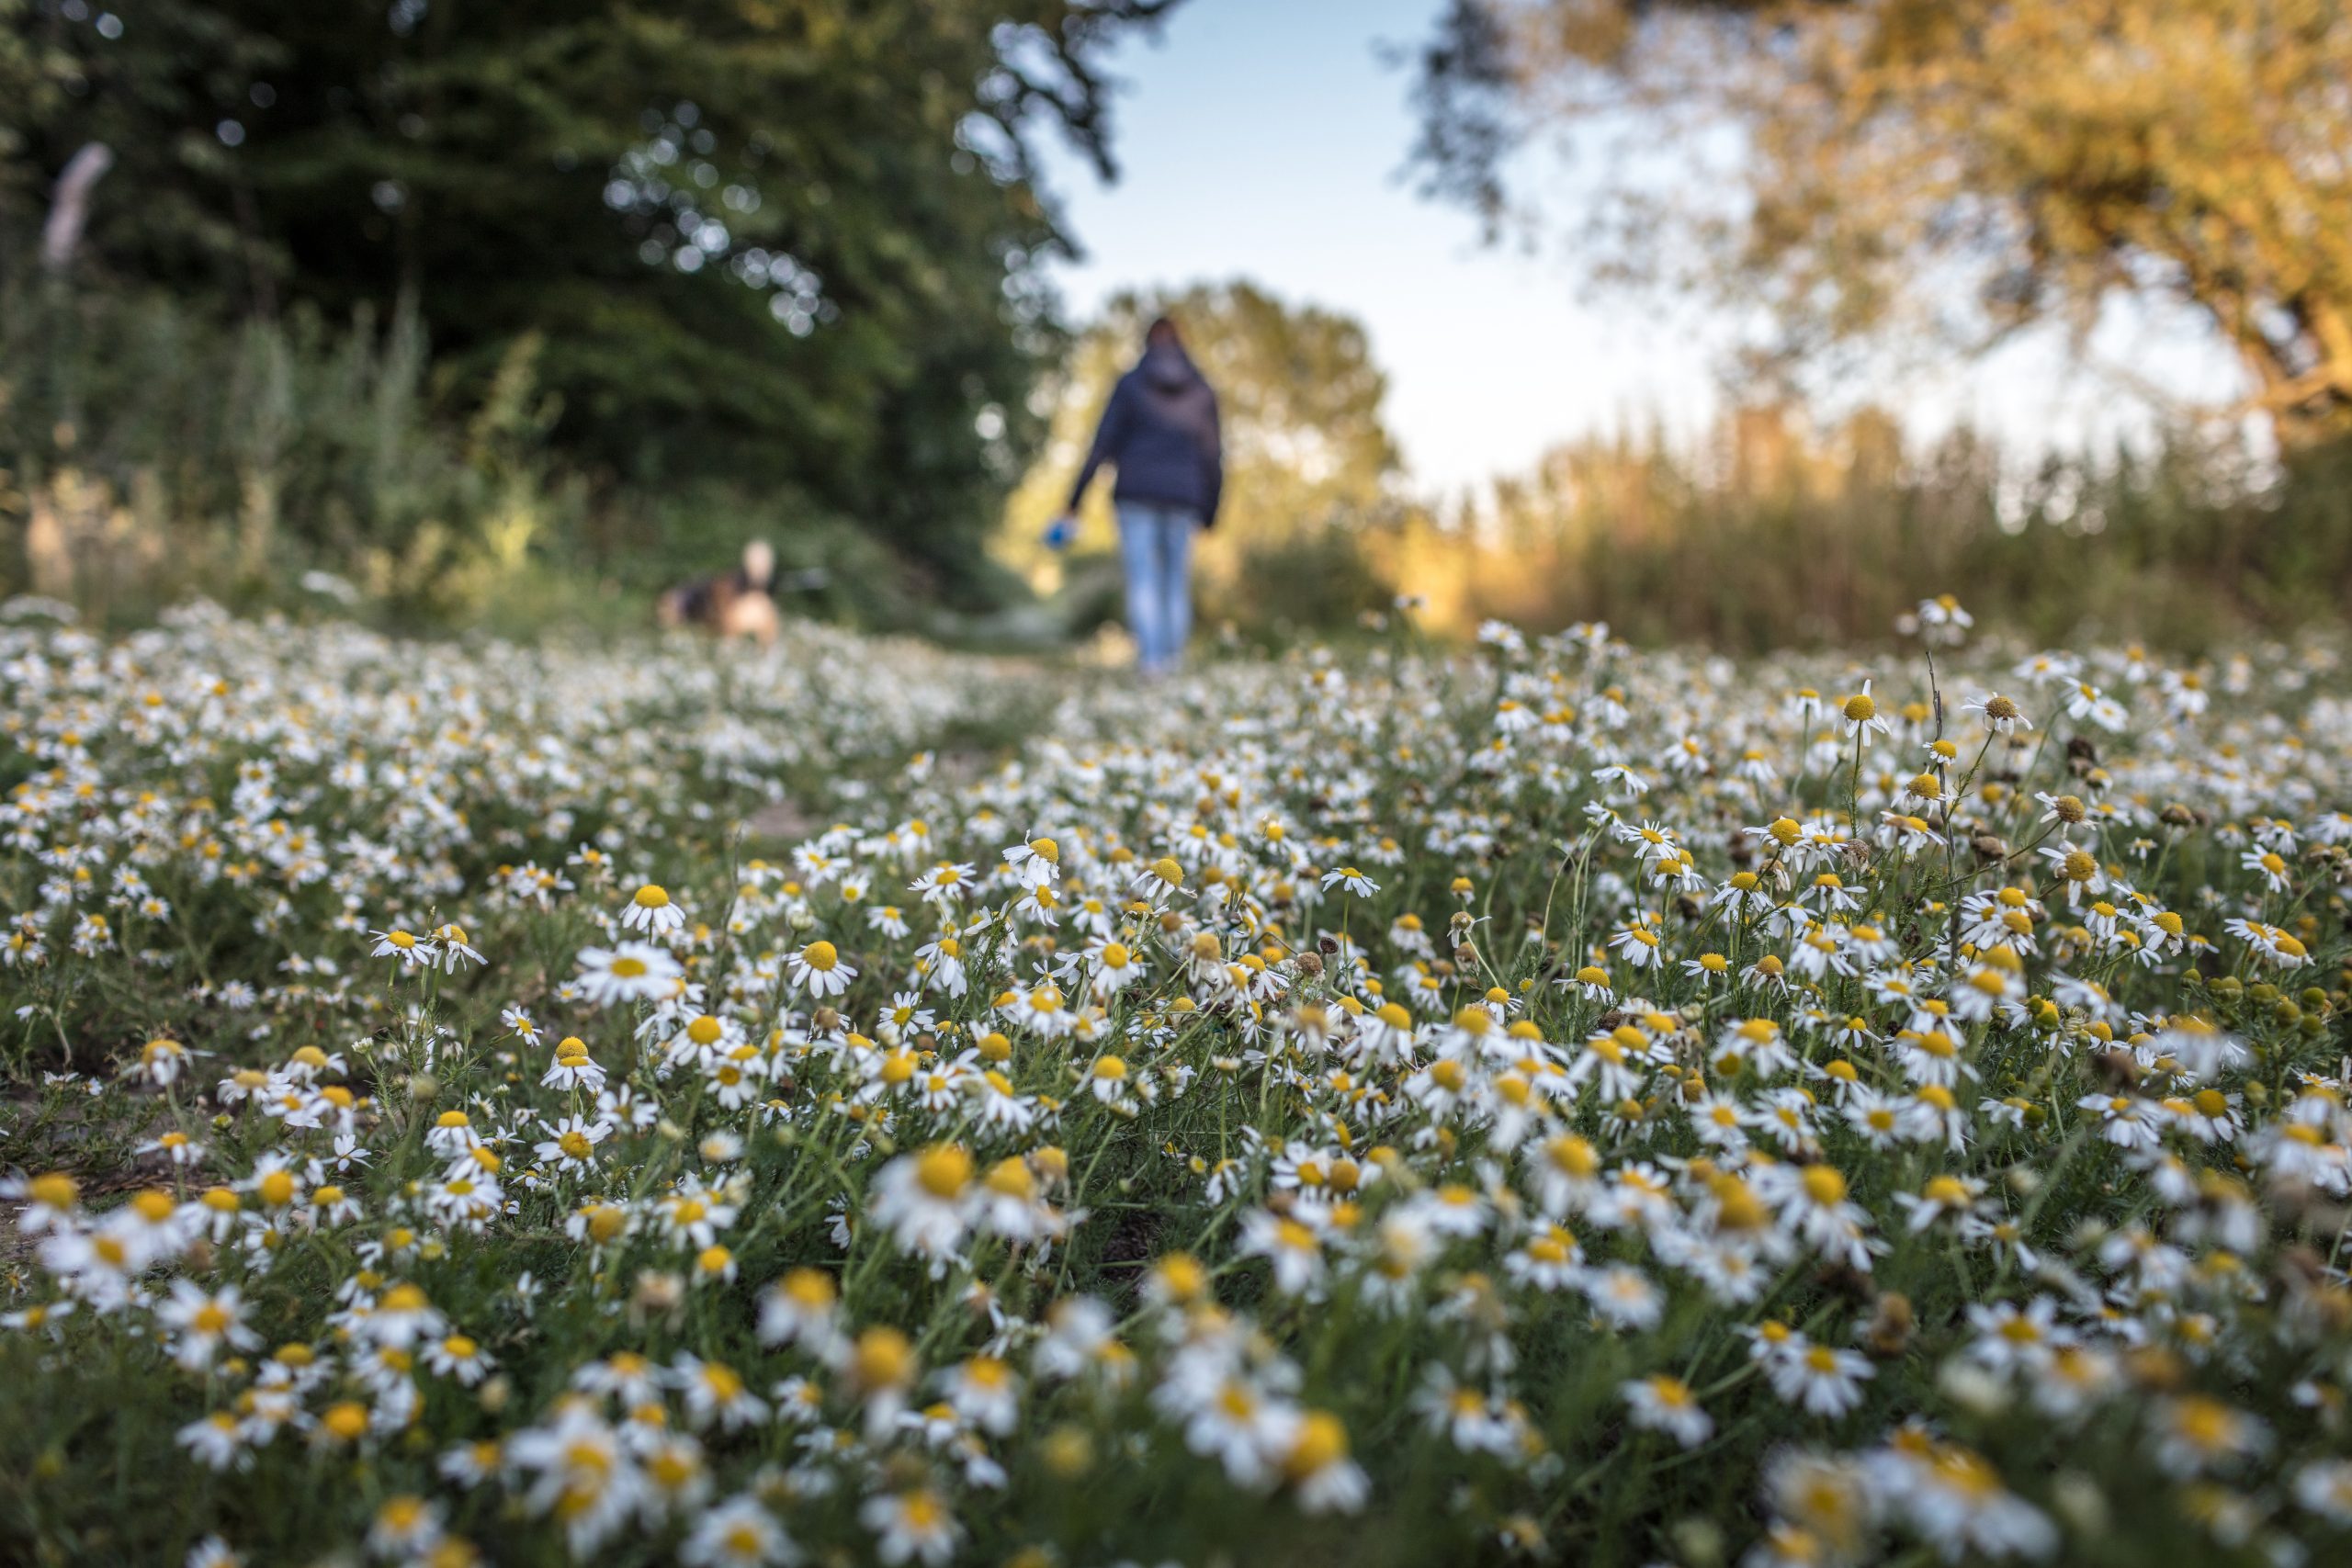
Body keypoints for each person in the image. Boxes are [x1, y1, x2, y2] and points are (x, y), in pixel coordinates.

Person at [1048, 315, 1223, 675]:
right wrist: (1211, 508)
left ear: (1146, 343)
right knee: (1175, 582)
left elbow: (1102, 444)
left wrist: (1074, 501)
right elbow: (1213, 455)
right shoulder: (1201, 390)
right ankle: (1172, 664)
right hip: (1184, 496)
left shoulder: (1131, 385)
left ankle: (1152, 664)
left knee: (1143, 579)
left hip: (1136, 493)